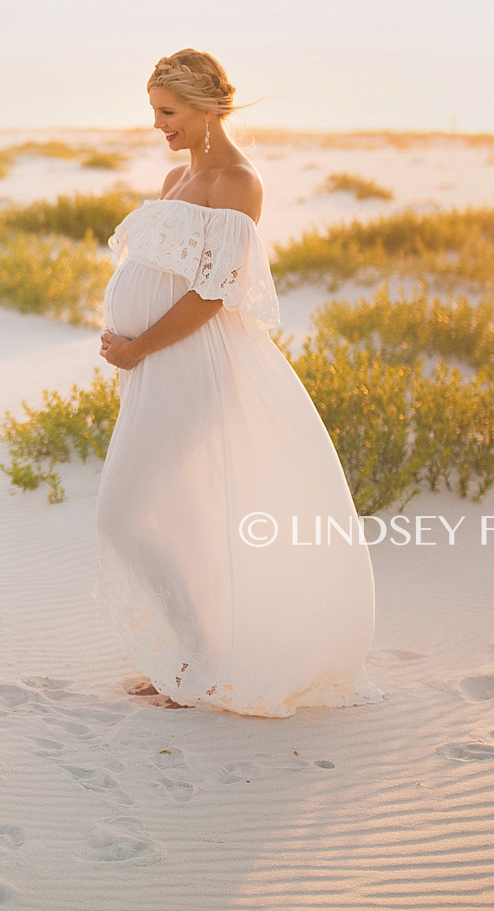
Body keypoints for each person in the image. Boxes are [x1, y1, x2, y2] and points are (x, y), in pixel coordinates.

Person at [95, 49, 380, 717]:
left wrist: (138, 347)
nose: (158, 125)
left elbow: (212, 295)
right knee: (175, 512)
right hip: (157, 369)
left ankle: (196, 660)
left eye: (168, 113)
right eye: (154, 111)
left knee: (125, 511)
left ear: (208, 109)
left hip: (196, 365)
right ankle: (185, 657)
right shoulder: (175, 177)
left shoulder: (237, 182)